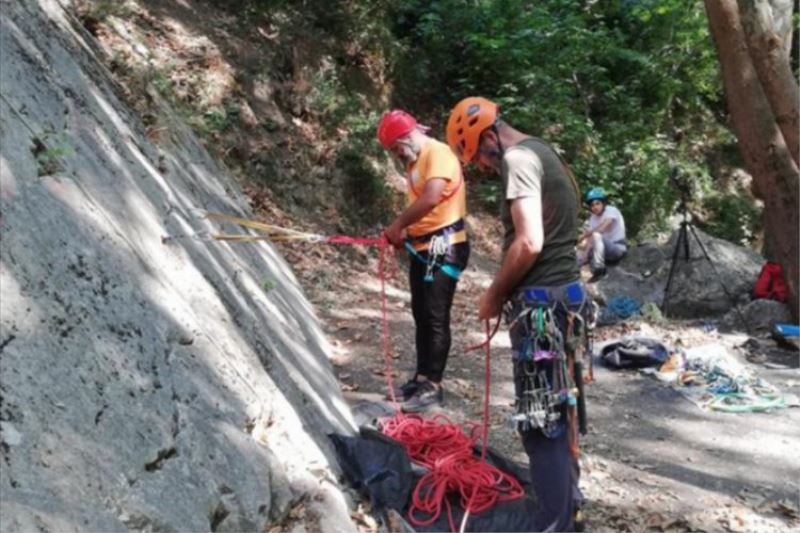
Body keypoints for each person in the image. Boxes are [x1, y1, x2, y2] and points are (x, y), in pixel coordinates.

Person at [446, 97, 587, 531]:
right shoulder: (544, 150)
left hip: (541, 304)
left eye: (480, 158)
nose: (486, 168)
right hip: (566, 297)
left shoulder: (520, 158)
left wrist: (494, 293)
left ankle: (553, 522)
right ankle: (569, 502)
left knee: (539, 419)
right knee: (561, 407)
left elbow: (529, 242)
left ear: (488, 136)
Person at [376, 109, 470, 413]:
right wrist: (405, 233)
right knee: (420, 312)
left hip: (446, 246)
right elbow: (422, 207)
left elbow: (431, 198)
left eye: (395, 148)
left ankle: (434, 384)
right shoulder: (416, 162)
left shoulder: (437, 153)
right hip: (424, 246)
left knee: (434, 314)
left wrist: (397, 226)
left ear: (406, 137)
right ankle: (421, 377)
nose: (396, 154)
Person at [577, 187, 627, 281]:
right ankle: (569, 275)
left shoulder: (611, 210)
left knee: (596, 235)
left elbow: (602, 228)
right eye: (592, 205)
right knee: (579, 254)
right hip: (603, 252)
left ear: (603, 203)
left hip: (617, 248)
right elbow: (590, 241)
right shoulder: (593, 218)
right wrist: (584, 255)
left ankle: (600, 270)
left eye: (597, 203)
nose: (594, 207)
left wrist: (583, 236)